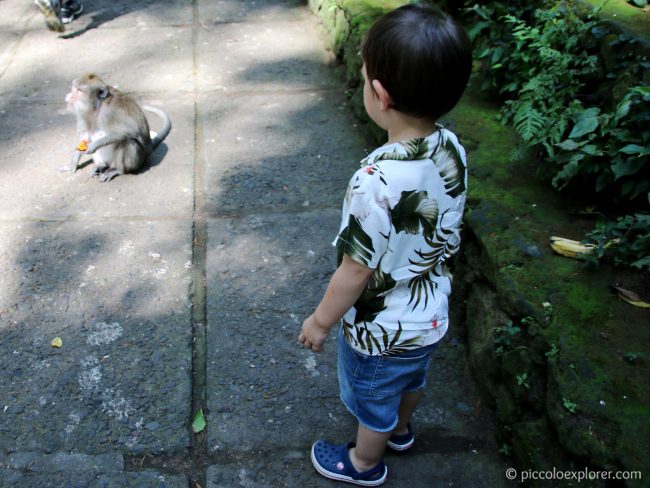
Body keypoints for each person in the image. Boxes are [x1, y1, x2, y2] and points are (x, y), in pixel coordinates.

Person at [298, 3, 472, 485]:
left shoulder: (376, 180)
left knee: (371, 397)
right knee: (411, 382)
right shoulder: (451, 148)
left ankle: (364, 462)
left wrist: (320, 321)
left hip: (383, 330)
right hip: (430, 312)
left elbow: (356, 270)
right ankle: (399, 430)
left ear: (378, 94)